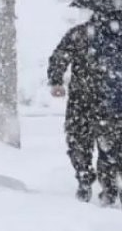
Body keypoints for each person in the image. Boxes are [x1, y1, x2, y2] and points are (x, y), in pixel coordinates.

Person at [48, 12, 122, 205]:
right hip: (111, 103)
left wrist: (56, 81)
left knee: (80, 142)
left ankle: (85, 178)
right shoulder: (114, 35)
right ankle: (108, 187)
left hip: (82, 100)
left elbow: (59, 56)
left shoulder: (79, 33)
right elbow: (60, 56)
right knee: (111, 148)